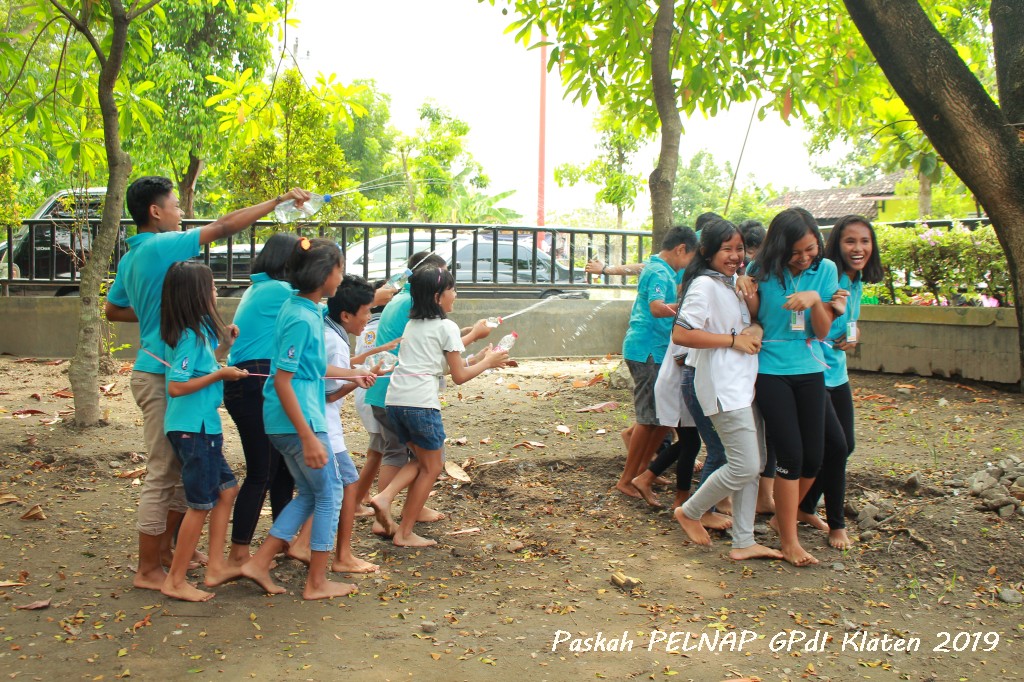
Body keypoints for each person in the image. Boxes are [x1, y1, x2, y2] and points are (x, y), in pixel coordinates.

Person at [105, 175, 311, 591]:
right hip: (162, 375)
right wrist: (277, 201)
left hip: (163, 370)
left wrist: (166, 313)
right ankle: (148, 568)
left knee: (185, 470)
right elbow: (223, 226)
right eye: (175, 205)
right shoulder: (162, 246)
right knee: (163, 472)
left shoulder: (131, 259)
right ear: (155, 212)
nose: (181, 212)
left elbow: (114, 309)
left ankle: (168, 553)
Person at [239, 238, 375, 599]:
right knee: (330, 492)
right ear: (324, 274)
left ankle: (259, 562)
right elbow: (282, 380)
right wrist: (308, 436)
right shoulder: (300, 316)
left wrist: (353, 374)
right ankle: (316, 582)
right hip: (299, 421)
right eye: (340, 269)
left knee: (313, 494)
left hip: (294, 419)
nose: (341, 277)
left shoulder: (305, 309)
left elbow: (311, 368)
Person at [739, 207, 847, 567]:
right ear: (779, 247)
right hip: (771, 370)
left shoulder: (825, 270)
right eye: (795, 252)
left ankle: (782, 517)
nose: (803, 258)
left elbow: (822, 331)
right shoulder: (762, 268)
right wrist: (745, 287)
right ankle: (789, 541)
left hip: (810, 367)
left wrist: (815, 299)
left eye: (810, 249)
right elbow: (755, 316)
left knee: (815, 456)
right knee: (791, 455)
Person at [671, 220, 783, 561]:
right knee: (745, 465)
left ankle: (743, 540)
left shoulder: (731, 282)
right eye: (727, 249)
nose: (735, 256)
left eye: (739, 249)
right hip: (722, 386)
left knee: (754, 462)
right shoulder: (704, 285)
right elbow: (682, 334)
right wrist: (733, 341)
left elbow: (748, 323)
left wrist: (754, 328)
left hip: (743, 384)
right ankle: (691, 511)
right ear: (707, 252)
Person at [377, 267, 509, 547]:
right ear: (438, 296)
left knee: (421, 460)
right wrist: (488, 362)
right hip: (420, 405)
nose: (455, 295)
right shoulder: (446, 327)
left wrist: (477, 358)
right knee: (433, 465)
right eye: (452, 289)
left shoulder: (413, 325)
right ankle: (404, 533)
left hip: (396, 401)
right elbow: (459, 376)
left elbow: (440, 366)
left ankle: (385, 497)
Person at [158, 262, 249, 601]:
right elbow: (177, 386)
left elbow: (204, 365)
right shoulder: (189, 336)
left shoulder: (199, 334)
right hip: (192, 430)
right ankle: (175, 580)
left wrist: (224, 349)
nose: (215, 290)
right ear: (195, 293)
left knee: (227, 490)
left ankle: (216, 565)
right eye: (210, 286)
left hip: (203, 427)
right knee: (199, 504)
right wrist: (222, 374)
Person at [798, 214, 883, 550]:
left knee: (845, 446)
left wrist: (854, 334)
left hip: (838, 373)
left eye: (864, 241)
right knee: (834, 447)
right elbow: (810, 325)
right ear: (837, 244)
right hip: (814, 372)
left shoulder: (856, 281)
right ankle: (836, 524)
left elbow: (849, 324)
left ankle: (805, 508)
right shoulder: (828, 277)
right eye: (850, 241)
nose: (858, 248)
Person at [223, 233, 299, 567]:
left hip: (253, 381)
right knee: (262, 470)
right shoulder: (279, 290)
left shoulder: (261, 287)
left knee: (281, 468)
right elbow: (316, 309)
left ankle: (281, 540)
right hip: (254, 381)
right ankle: (239, 551)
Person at [615, 226, 698, 499]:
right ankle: (627, 480)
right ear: (681, 249)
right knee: (648, 420)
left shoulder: (661, 269)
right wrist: (684, 309)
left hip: (655, 350)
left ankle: (641, 473)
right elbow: (656, 307)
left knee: (660, 418)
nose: (689, 264)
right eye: (690, 257)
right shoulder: (659, 271)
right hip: (647, 351)